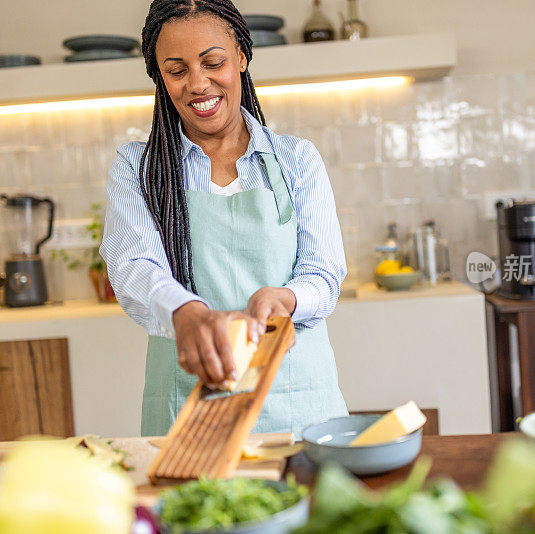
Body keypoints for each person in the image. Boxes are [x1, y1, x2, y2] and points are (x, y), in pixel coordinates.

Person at [100, 0, 349, 437]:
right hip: (188, 406)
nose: (198, 83)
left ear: (241, 57)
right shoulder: (137, 167)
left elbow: (323, 273)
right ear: (160, 77)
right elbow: (133, 265)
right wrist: (187, 313)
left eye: (212, 62)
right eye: (177, 71)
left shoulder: (296, 160)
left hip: (297, 402)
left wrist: (286, 300)